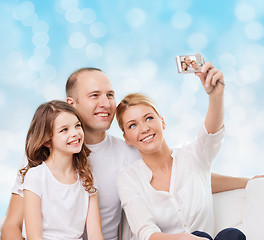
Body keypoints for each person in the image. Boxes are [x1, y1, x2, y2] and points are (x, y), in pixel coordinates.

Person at [1, 67, 257, 240]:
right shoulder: (45, 160)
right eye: (94, 96)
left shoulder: (130, 151)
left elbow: (186, 176)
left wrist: (251, 182)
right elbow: (12, 225)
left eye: (110, 95)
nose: (106, 103)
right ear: (72, 104)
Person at [115, 62, 246, 240]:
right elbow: (146, 232)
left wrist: (216, 96)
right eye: (132, 125)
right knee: (201, 235)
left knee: (231, 235)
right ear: (127, 138)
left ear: (162, 122)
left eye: (148, 118)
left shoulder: (193, 156)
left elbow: (211, 134)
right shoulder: (128, 178)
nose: (144, 128)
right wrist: (186, 238)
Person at [18, 100, 104, 240]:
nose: (75, 133)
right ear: (47, 141)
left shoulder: (87, 177)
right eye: (64, 130)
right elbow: (35, 237)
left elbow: (95, 234)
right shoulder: (36, 177)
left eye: (77, 126)